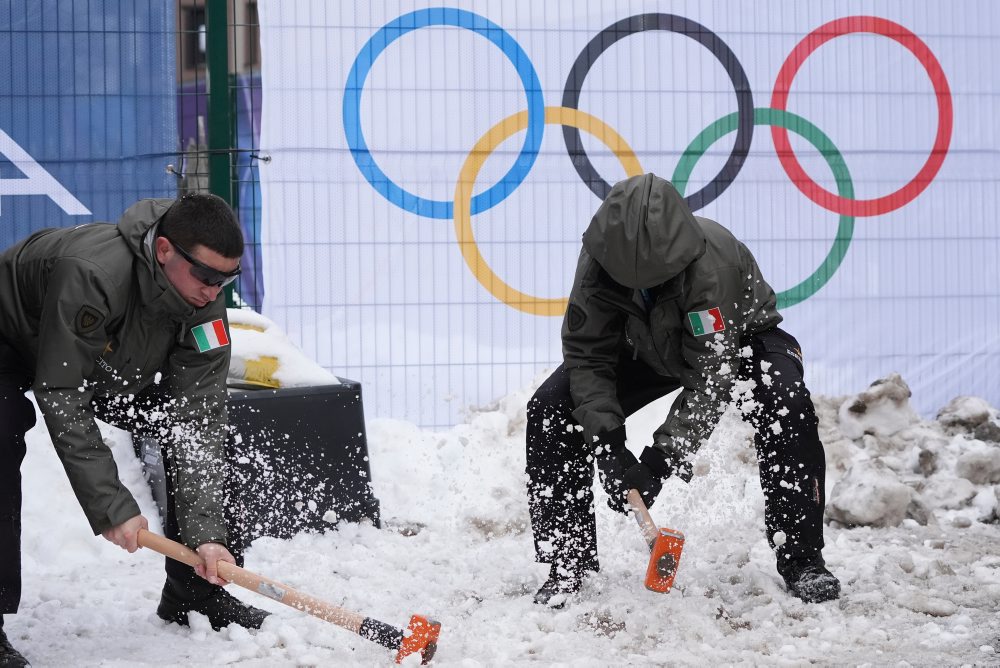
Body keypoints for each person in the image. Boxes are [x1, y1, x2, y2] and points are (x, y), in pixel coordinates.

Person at [526, 173, 840, 608]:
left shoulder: (712, 264)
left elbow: (712, 375)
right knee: (550, 409)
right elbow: (588, 355)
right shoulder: (598, 258)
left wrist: (657, 463)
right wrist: (609, 445)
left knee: (787, 403)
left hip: (741, 342)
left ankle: (803, 559)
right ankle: (569, 563)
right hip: (642, 345)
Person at [0, 194, 269, 666]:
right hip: (11, 337)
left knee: (203, 433)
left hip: (106, 361)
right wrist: (112, 506)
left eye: (227, 280)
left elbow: (197, 417)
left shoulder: (203, 303)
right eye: (206, 277)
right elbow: (63, 391)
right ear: (164, 250)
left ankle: (195, 594)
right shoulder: (92, 273)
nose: (214, 292)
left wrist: (206, 532)